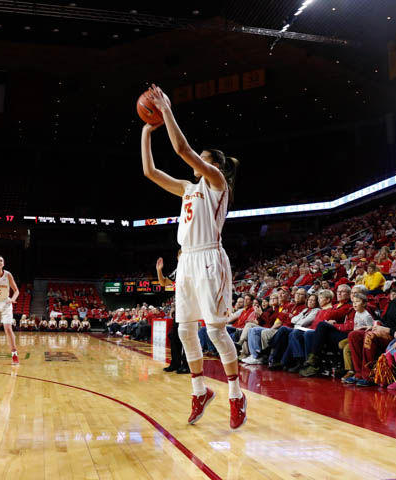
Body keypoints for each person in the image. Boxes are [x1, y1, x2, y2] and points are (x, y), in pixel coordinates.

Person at [141, 84, 245, 429]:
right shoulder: (188, 188)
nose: (196, 161)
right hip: (186, 261)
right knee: (185, 330)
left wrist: (167, 109)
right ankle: (199, 391)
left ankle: (235, 395)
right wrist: (145, 132)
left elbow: (182, 148)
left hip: (209, 260)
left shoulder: (217, 183)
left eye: (203, 157)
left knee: (215, 332)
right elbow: (150, 174)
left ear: (213, 163)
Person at [157, 257, 190, 374]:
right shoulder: (178, 270)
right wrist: (159, 270)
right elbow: (163, 282)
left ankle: (187, 364)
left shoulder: (194, 268)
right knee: (173, 335)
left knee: (187, 336)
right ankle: (175, 363)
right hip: (180, 309)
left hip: (191, 308)